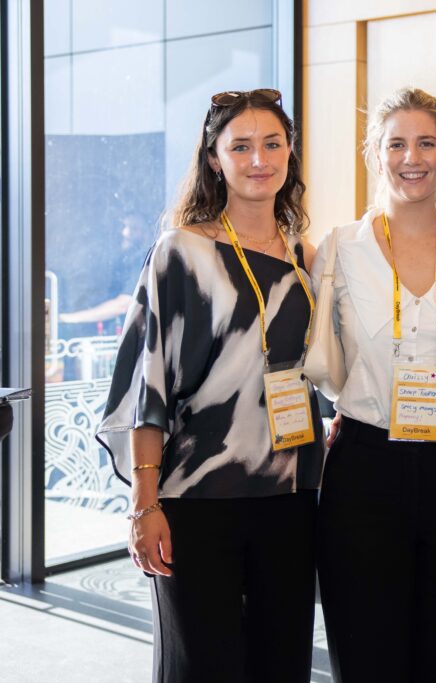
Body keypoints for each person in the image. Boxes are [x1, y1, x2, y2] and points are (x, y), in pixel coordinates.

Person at [96, 89, 323, 683]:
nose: (258, 159)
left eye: (272, 144)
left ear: (290, 152)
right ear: (214, 159)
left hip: (290, 497)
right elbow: (147, 388)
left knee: (282, 664)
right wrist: (144, 504)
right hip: (196, 498)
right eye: (240, 146)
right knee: (201, 667)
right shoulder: (182, 252)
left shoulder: (306, 257)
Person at [312, 87, 436, 682]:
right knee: (367, 657)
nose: (411, 157)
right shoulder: (339, 249)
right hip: (366, 469)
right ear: (375, 154)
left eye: (426, 143)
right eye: (395, 144)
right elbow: (314, 350)